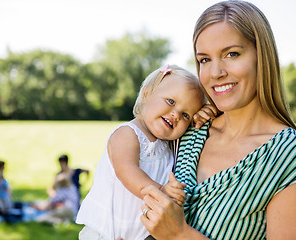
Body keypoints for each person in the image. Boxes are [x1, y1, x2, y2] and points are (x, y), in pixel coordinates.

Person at [140, 1, 296, 240]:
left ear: (261, 57)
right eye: (204, 59)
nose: (215, 73)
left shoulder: (289, 156)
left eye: (231, 54)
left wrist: (179, 235)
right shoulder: (190, 127)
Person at [76, 64, 212, 240]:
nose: (176, 114)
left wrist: (207, 114)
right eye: (171, 101)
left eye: (186, 115)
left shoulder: (172, 146)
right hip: (104, 233)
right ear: (147, 94)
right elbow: (126, 170)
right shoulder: (127, 133)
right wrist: (160, 191)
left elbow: (196, 129)